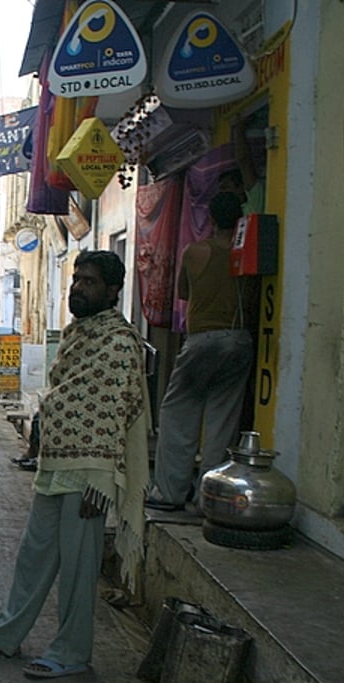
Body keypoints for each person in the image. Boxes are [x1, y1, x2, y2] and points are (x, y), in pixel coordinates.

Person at [0, 250, 149, 678]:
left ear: (113, 291)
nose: (78, 287)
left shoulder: (120, 341)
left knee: (80, 568)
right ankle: (7, 632)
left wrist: (102, 481)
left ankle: (72, 653)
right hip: (56, 462)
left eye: (90, 281)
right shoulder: (79, 332)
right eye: (76, 279)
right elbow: (65, 392)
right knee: (34, 553)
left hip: (92, 472)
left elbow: (116, 410)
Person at [145, 192, 256, 512]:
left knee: (179, 412)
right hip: (239, 339)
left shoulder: (196, 252)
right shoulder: (243, 255)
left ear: (211, 219)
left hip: (203, 339)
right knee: (223, 419)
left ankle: (169, 492)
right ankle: (208, 497)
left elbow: (182, 292)